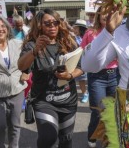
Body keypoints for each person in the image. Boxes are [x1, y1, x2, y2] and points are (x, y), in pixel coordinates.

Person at [18, 9, 84, 148]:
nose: (52, 26)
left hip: (68, 101)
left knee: (66, 140)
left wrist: (70, 75)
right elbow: (21, 66)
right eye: (47, 23)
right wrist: (35, 50)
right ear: (40, 25)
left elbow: (81, 66)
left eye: (55, 22)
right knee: (48, 137)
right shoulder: (32, 44)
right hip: (44, 100)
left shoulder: (68, 42)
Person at [0, 15, 27, 148]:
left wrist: (26, 72)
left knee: (15, 124)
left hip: (16, 89)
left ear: (8, 29)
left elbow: (28, 62)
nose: (0, 29)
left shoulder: (18, 44)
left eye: (2, 26)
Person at [81, 7, 121, 148]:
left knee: (112, 111)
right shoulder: (90, 33)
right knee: (98, 111)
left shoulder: (120, 31)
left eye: (109, 11)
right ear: (98, 15)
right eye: (103, 12)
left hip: (115, 75)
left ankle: (109, 139)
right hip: (96, 77)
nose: (106, 14)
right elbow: (83, 52)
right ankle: (92, 136)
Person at [72, 19, 89, 103]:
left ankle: (89, 92)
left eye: (76, 28)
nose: (74, 30)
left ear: (81, 29)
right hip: (78, 63)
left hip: (88, 61)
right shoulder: (73, 38)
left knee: (89, 79)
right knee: (81, 80)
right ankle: (85, 94)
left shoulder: (88, 36)